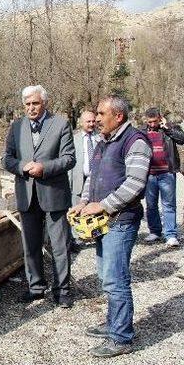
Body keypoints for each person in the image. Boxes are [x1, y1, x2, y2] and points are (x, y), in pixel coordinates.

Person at [69, 95, 151, 358]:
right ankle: (113, 323)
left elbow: (135, 183)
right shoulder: (104, 142)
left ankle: (121, 337)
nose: (97, 118)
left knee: (116, 280)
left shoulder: (135, 141)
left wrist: (103, 205)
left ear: (119, 117)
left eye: (102, 114)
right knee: (106, 277)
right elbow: (92, 177)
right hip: (105, 221)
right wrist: (84, 203)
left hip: (121, 220)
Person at [2, 85, 76, 308]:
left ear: (44, 103)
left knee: (60, 245)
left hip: (53, 194)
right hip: (27, 194)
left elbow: (69, 159)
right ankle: (36, 287)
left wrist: (44, 167)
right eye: (27, 104)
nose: (31, 108)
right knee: (31, 245)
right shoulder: (16, 127)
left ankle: (62, 291)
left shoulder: (61, 124)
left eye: (35, 103)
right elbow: (6, 159)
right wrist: (23, 167)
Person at [140, 107, 184, 247]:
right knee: (151, 205)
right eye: (150, 122)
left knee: (168, 205)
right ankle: (155, 232)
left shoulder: (169, 128)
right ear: (146, 120)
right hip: (149, 174)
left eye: (155, 121)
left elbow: (182, 139)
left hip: (167, 172)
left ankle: (170, 234)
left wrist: (167, 128)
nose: (152, 124)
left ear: (160, 118)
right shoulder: (141, 131)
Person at [69, 110, 101, 250]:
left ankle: (96, 233)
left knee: (95, 205)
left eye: (93, 121)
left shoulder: (100, 138)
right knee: (76, 206)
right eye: (88, 121)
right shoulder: (73, 139)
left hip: (95, 178)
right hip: (78, 177)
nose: (91, 124)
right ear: (81, 122)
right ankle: (76, 238)